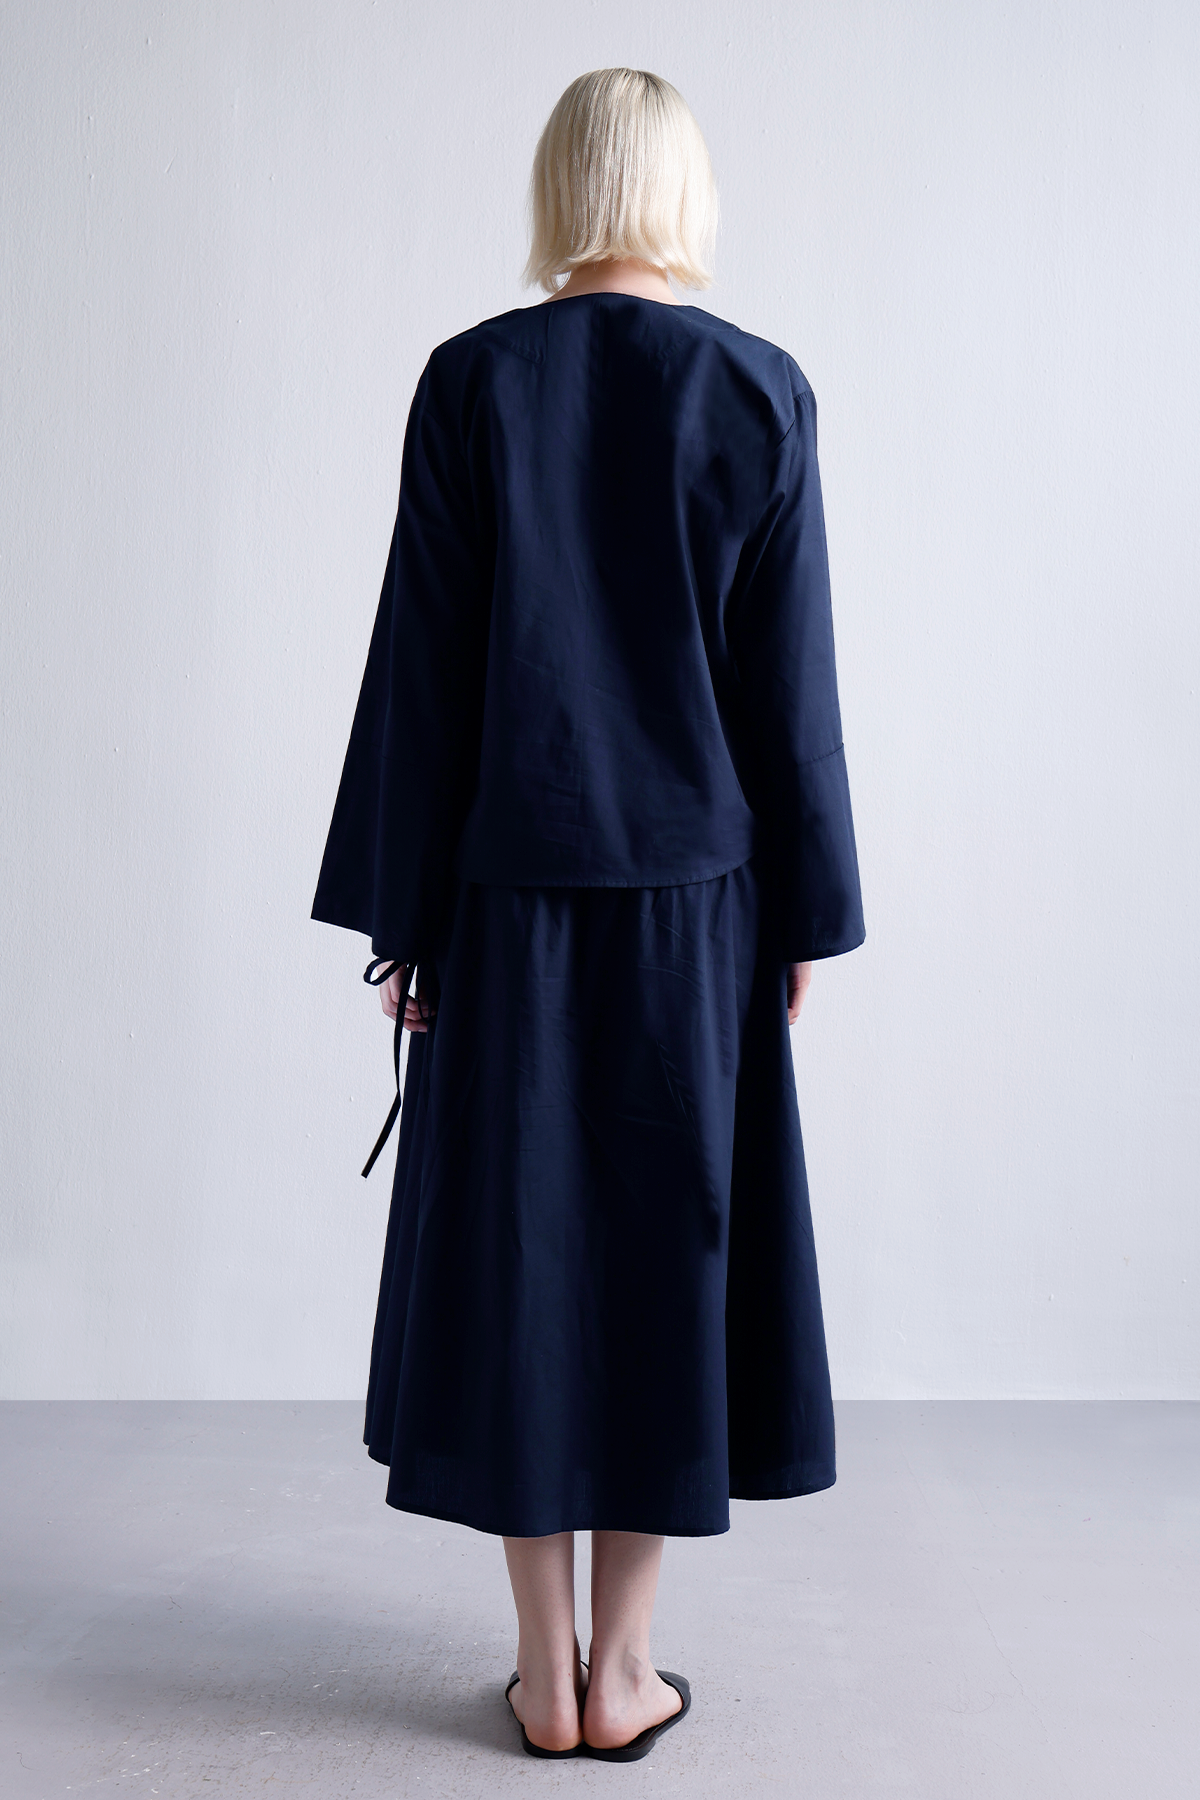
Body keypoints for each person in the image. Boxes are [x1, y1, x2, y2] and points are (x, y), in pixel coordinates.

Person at [312, 67, 865, 1761]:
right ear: (684, 195)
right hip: (696, 908)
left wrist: (404, 919)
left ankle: (542, 1675)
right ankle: (625, 1674)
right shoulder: (759, 389)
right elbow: (789, 692)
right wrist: (804, 917)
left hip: (505, 903)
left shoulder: (472, 381)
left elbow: (424, 671)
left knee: (523, 1263)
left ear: (560, 190)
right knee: (664, 1261)